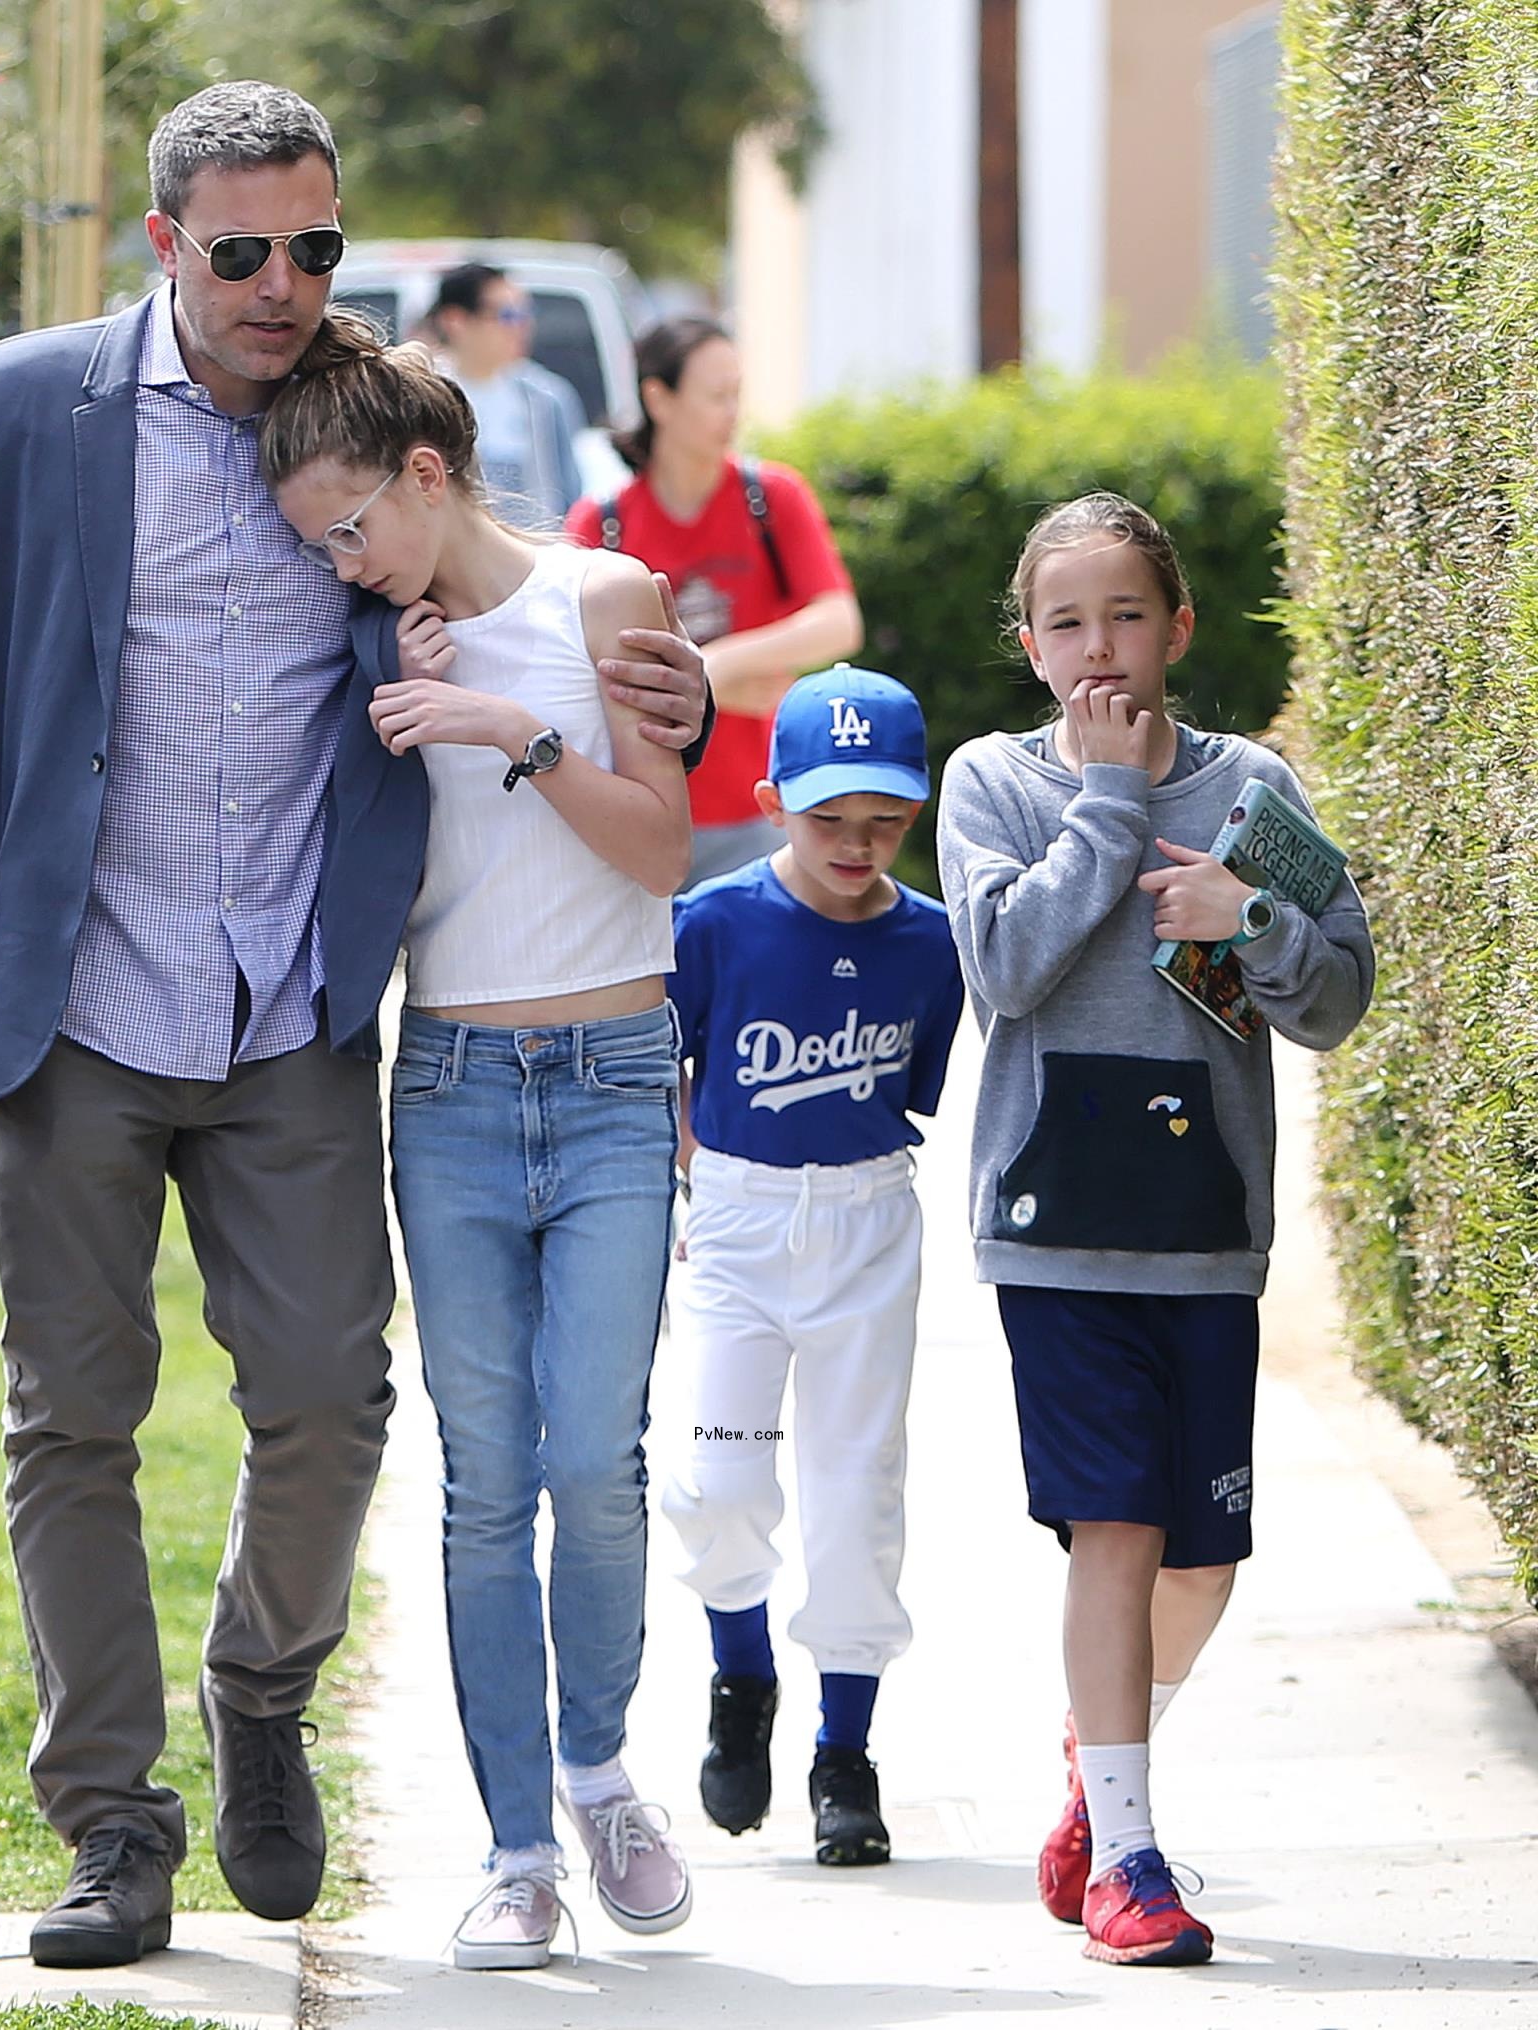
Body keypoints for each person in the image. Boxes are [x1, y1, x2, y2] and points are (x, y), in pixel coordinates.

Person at [0, 79, 708, 1972]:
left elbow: (484, 550)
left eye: (316, 247)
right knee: (74, 1421)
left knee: (326, 1399)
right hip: (72, 1002)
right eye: (242, 252)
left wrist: (652, 664)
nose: (283, 282)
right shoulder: (23, 408)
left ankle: (261, 1690)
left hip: (291, 1004)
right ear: (161, 247)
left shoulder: (338, 417)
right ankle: (114, 1821)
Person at [262, 324, 696, 1975]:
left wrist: (509, 729)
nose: (338, 557)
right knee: (482, 1481)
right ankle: (517, 1852)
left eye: (350, 524)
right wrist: (397, 672)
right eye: (318, 541)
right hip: (446, 1084)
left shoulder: (607, 602)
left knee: (595, 1461)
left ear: (427, 475)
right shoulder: (375, 636)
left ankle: (599, 1776)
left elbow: (660, 851)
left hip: (606, 1076)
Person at [934, 492, 1373, 1968]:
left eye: (1127, 614)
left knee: (1202, 1559)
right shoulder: (993, 783)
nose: (1099, 647)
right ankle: (1128, 1852)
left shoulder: (1256, 788)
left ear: (1178, 625)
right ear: (1029, 643)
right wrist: (1110, 804)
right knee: (1110, 1526)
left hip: (1205, 1231)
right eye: (1066, 622)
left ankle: (1091, 1759)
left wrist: (1245, 913)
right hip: (1056, 1228)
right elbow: (1002, 967)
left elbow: (1337, 998)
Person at [661, 664, 964, 1868]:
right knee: (717, 1479)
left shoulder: (931, 940)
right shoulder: (715, 917)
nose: (857, 842)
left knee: (857, 1490)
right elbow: (665, 1068)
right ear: (772, 791)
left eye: (884, 820)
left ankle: (847, 1750)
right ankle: (743, 1676)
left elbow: (914, 1095)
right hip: (736, 1216)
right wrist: (699, 1184)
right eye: (829, 816)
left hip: (865, 1221)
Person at [568, 316, 863, 887]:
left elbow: (838, 622)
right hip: (643, 813)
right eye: (715, 396)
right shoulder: (600, 521)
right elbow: (573, 669)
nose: (733, 412)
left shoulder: (772, 498)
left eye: (737, 394)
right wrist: (708, 691)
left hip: (764, 808)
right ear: (658, 398)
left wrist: (715, 667)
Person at [428, 262, 586, 529]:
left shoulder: (547, 398)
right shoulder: (426, 397)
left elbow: (570, 498)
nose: (522, 326)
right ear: (455, 321)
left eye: (526, 314)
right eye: (508, 316)